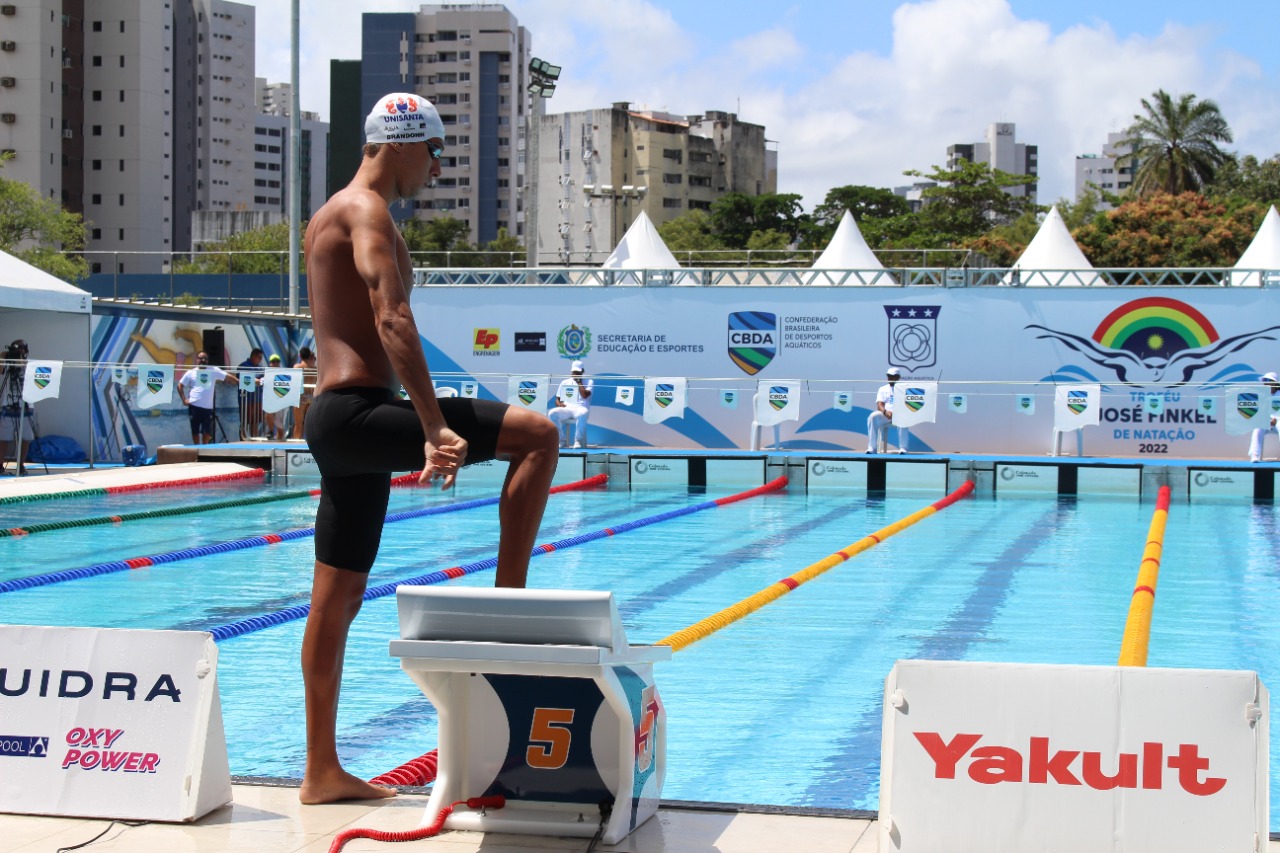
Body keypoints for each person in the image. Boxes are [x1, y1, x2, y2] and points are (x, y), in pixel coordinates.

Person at [298, 91, 558, 805]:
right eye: (435, 150)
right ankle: (510, 610)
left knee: (337, 599)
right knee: (538, 434)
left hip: (337, 419)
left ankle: (320, 771)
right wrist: (432, 422)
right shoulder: (365, 211)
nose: (438, 166)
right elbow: (392, 316)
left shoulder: (329, 213)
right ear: (400, 141)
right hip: (358, 410)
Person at [177, 351, 235, 444]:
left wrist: (240, 382)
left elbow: (228, 376)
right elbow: (180, 385)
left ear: (207, 360)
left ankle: (204, 449)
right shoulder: (191, 372)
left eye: (205, 359)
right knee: (195, 430)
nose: (202, 361)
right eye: (200, 358)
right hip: (194, 406)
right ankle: (196, 448)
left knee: (207, 431)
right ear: (196, 360)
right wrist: (184, 399)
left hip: (207, 408)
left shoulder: (213, 370)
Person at [1, 339, 33, 474]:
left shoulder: (30, 363)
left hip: (26, 405)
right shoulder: (6, 362)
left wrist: (19, 357)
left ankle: (21, 464)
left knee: (25, 437)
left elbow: (23, 366)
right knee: (3, 437)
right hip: (8, 405)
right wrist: (3, 356)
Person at [547, 359, 593, 448]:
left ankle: (578, 440)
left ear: (582, 371)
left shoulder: (589, 382)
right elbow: (557, 399)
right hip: (567, 408)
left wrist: (579, 382)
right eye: (574, 372)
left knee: (583, 413)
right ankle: (561, 440)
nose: (576, 374)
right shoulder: (565, 382)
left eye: (578, 372)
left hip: (580, 408)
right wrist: (560, 404)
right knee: (552, 413)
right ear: (571, 371)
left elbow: (585, 395)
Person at [866, 366, 911, 454]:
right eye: (889, 376)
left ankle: (903, 448)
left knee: (903, 417)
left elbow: (908, 405)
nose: (890, 378)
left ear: (898, 377)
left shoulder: (905, 389)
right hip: (885, 415)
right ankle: (872, 448)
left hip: (899, 415)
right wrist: (885, 412)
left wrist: (897, 413)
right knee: (873, 416)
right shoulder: (882, 389)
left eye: (892, 376)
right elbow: (880, 404)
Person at [1248, 371, 1280, 462]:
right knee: (1258, 427)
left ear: (1274, 383)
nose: (1266, 383)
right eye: (1264, 381)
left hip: (1279, 421)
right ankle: (1255, 455)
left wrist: (1276, 419)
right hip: (1266, 421)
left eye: (1268, 381)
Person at [238, 347, 265, 439]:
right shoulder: (243, 366)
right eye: (259, 357)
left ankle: (254, 440)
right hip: (247, 399)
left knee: (255, 422)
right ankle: (243, 440)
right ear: (253, 356)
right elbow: (243, 378)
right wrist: (256, 380)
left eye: (261, 358)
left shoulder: (260, 368)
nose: (260, 360)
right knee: (245, 421)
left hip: (257, 399)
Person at [293, 346, 317, 439]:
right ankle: (310, 442)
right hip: (311, 396)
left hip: (301, 396)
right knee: (310, 423)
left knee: (298, 423)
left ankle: (296, 442)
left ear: (300, 355)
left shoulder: (298, 367)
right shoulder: (315, 369)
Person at [263, 353, 287, 440]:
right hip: (271, 399)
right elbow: (261, 381)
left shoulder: (284, 373)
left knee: (280, 426)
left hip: (281, 400)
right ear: (270, 363)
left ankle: (280, 445)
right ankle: (270, 431)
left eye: (277, 361)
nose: (276, 363)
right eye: (273, 361)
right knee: (268, 412)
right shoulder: (267, 373)